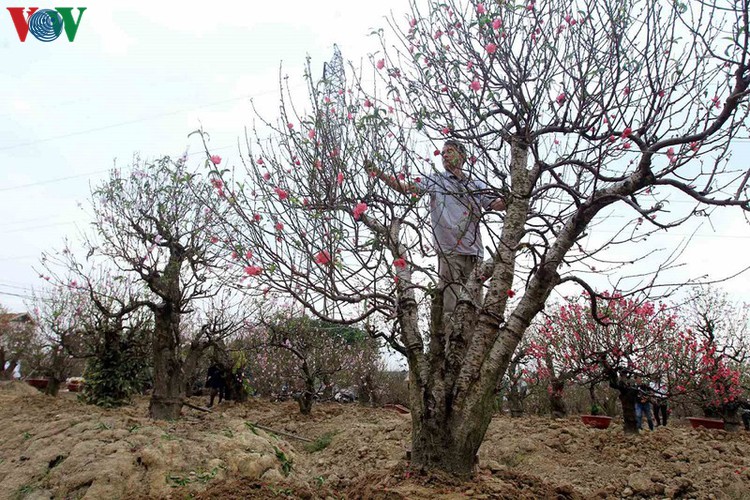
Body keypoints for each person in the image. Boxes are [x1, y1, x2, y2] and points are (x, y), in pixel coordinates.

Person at [367, 140, 506, 318]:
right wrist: (379, 173)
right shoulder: (436, 181)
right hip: (450, 253)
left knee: (474, 308)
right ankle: (451, 345)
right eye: (443, 152)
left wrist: (514, 197)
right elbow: (405, 188)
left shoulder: (475, 184)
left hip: (474, 253)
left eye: (450, 151)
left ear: (462, 156)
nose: (445, 155)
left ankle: (471, 345)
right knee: (450, 308)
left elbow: (495, 204)